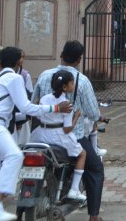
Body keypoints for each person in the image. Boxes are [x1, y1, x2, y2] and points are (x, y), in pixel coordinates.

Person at [0, 47, 71, 221]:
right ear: (17, 62)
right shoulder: (13, 77)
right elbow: (26, 107)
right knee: (14, 156)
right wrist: (56, 108)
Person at [32, 41, 103, 221]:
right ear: (80, 59)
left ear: (61, 54)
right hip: (72, 136)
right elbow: (93, 112)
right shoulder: (81, 80)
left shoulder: (44, 75)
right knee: (95, 169)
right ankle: (93, 216)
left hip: (42, 136)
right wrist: (93, 116)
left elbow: (34, 102)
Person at [30, 71, 87, 200]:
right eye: (72, 83)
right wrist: (76, 116)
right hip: (57, 136)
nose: (74, 85)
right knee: (82, 154)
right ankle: (74, 189)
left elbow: (39, 116)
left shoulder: (44, 98)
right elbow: (67, 129)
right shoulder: (66, 104)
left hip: (40, 134)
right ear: (65, 87)